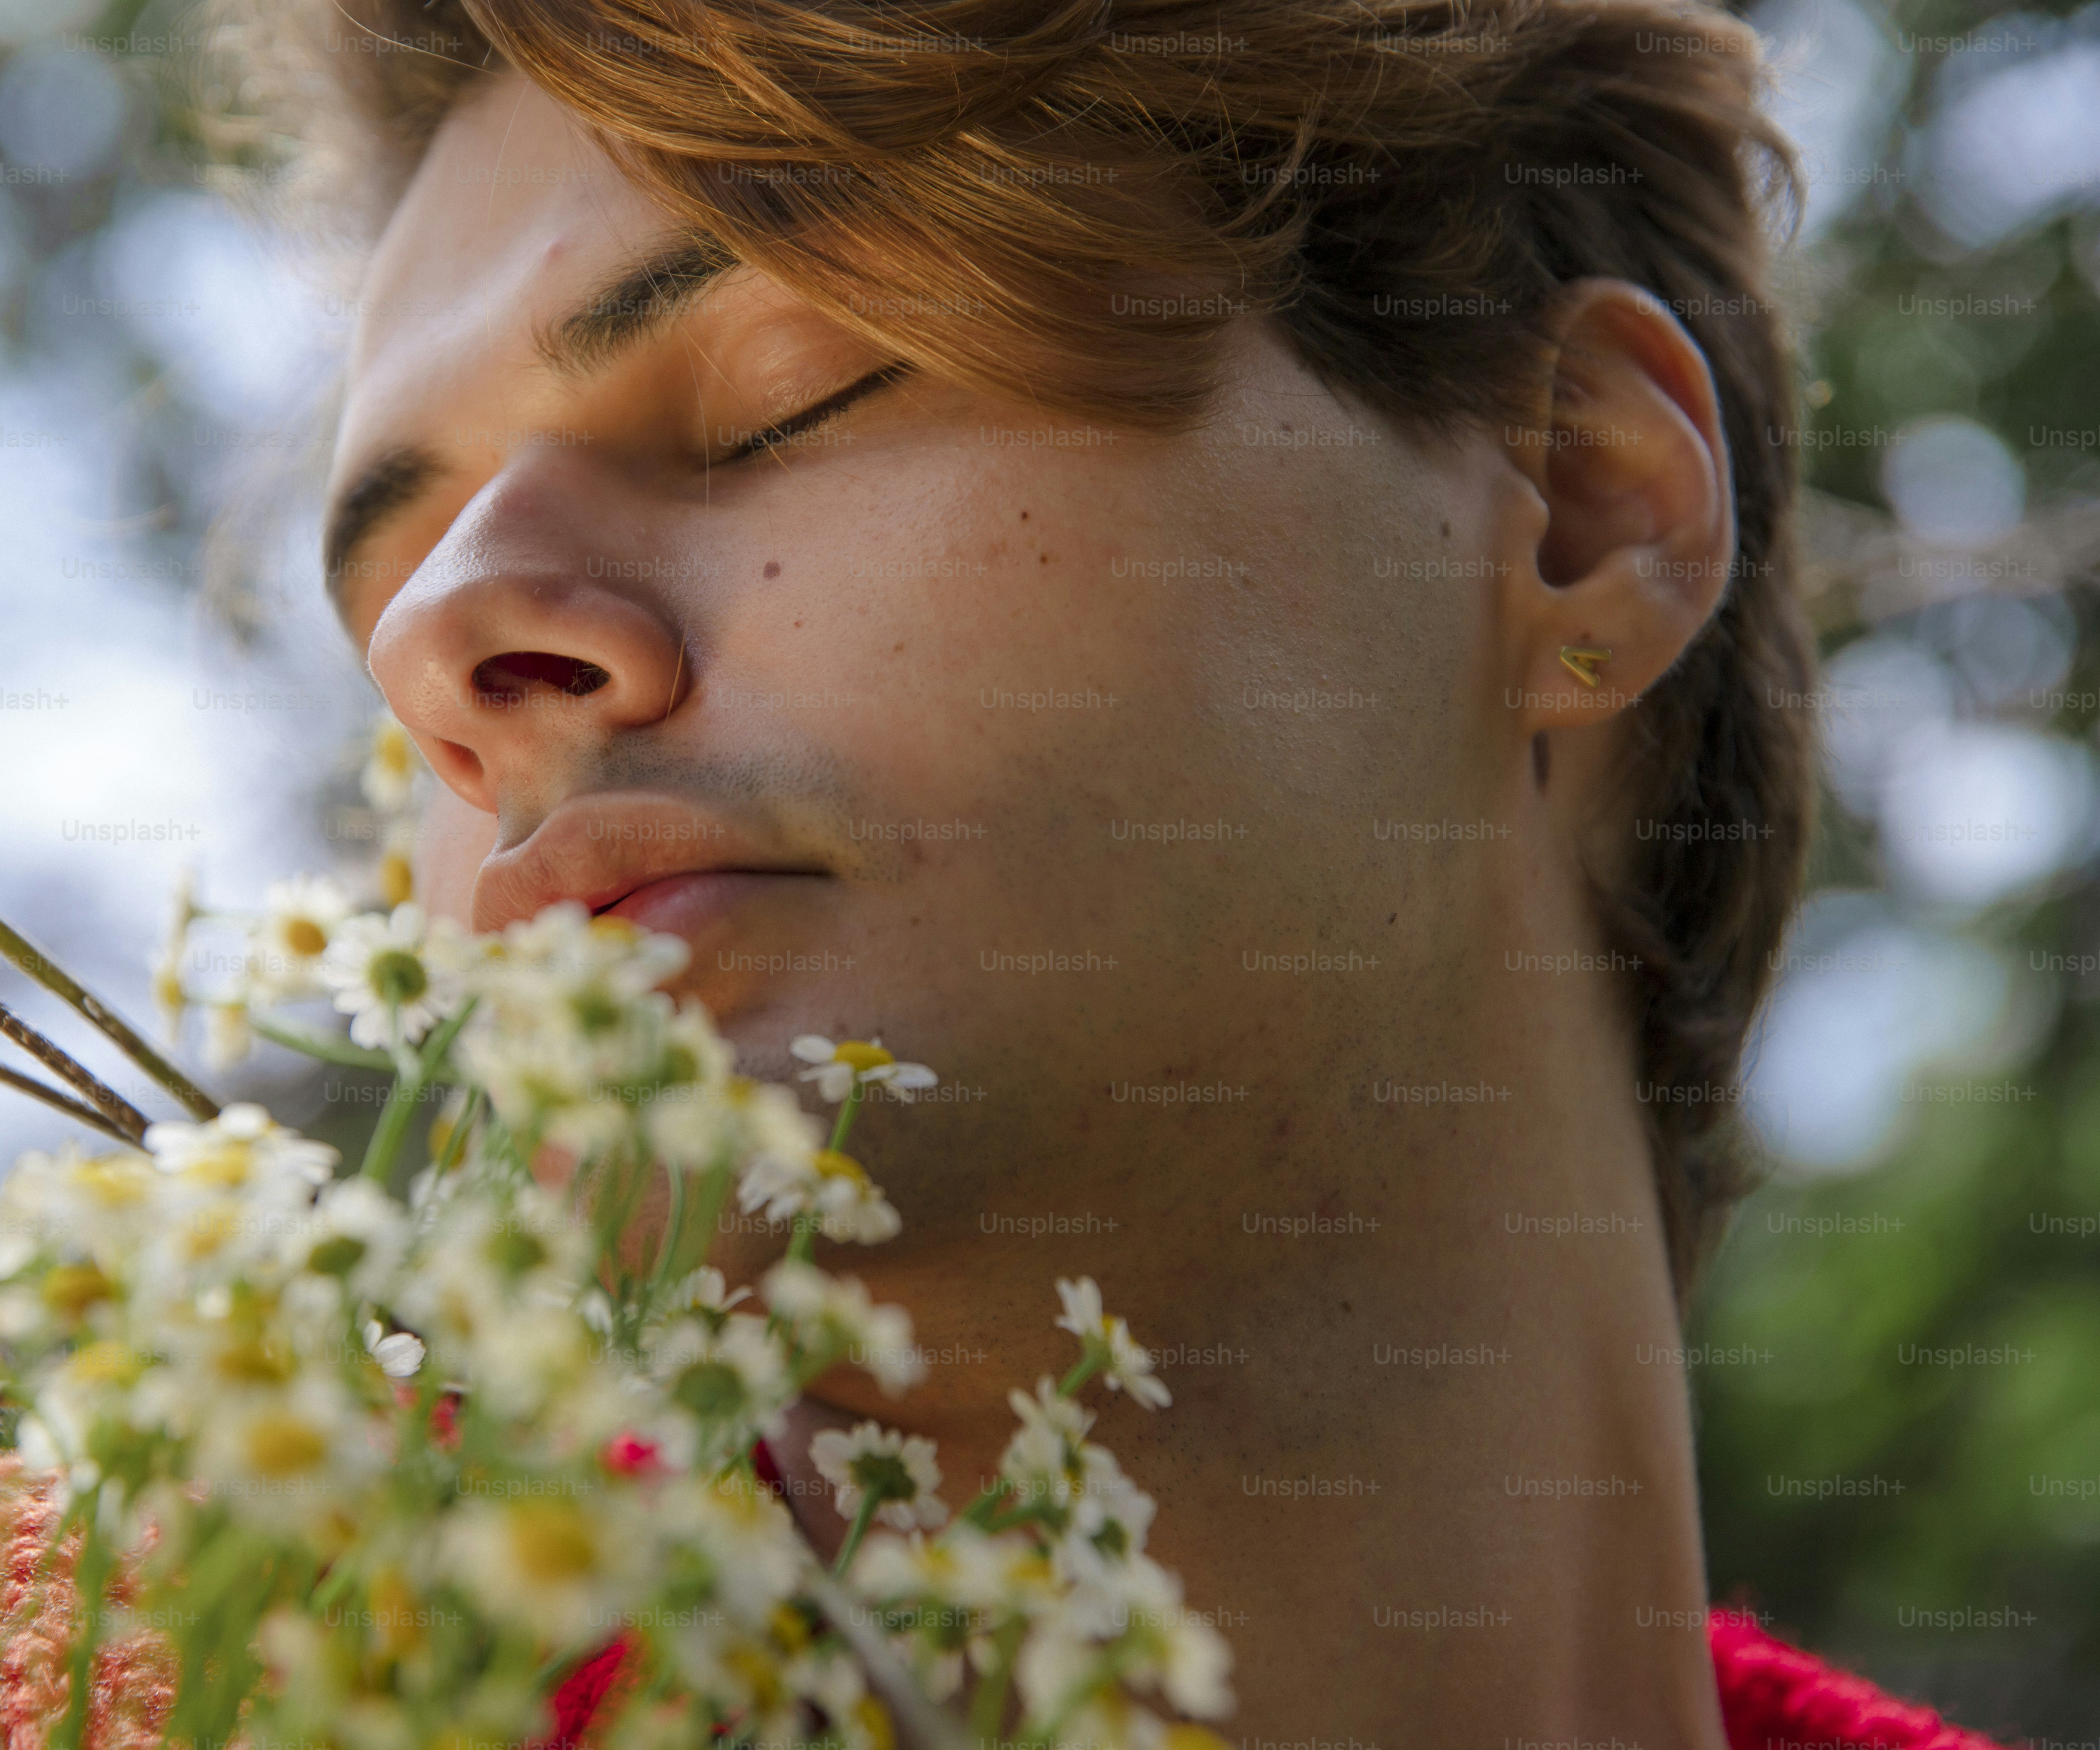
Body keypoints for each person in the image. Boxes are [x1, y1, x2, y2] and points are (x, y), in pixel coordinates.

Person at [234, 0, 2001, 1743]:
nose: (447, 639)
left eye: (796, 392)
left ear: (1586, 504)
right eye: (385, 587)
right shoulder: (97, 1676)